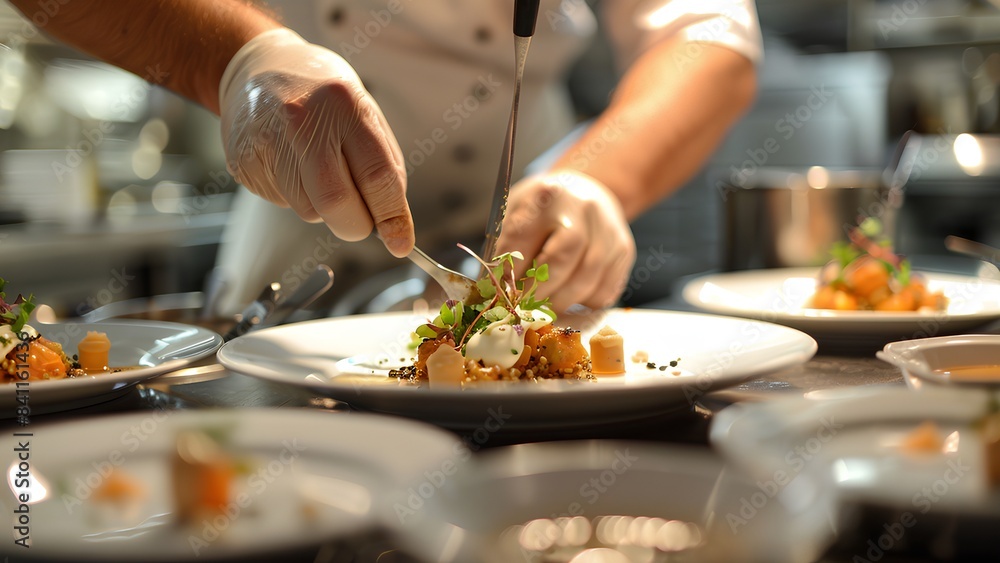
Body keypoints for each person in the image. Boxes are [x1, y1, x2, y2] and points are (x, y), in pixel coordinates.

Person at [7, 0, 761, 315]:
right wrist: (238, 62)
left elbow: (708, 34)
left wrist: (591, 178)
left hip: (537, 217)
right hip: (294, 231)